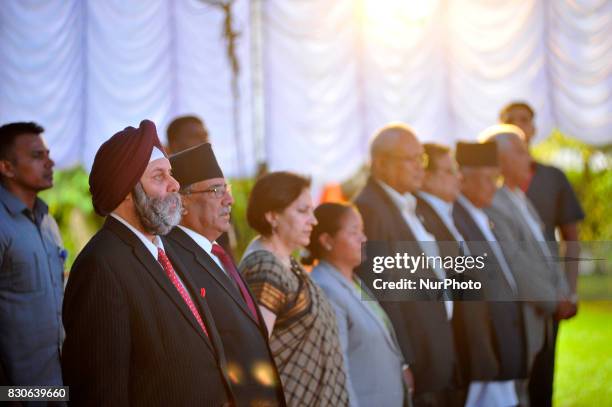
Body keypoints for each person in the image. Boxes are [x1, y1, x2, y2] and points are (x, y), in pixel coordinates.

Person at [62, 120, 233, 406]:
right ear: (126, 190)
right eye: (159, 176)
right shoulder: (100, 266)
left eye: (171, 174)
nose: (175, 184)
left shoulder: (166, 249)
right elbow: (100, 392)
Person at [164, 143, 286, 406]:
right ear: (182, 201)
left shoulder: (215, 252)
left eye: (226, 189)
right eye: (216, 190)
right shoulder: (172, 260)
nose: (229, 199)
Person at [353, 123, 462, 407]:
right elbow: (383, 295)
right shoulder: (369, 210)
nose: (420, 167)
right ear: (381, 164)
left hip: (437, 350)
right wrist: (404, 361)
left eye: (422, 159)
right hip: (417, 360)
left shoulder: (408, 204)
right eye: (411, 159)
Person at [479, 125, 574, 405]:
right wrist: (554, 300)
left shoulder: (518, 197)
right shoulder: (492, 202)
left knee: (542, 393)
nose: (529, 159)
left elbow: (546, 252)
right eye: (520, 152)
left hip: (543, 317)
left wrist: (564, 292)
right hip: (526, 318)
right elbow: (517, 264)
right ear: (499, 160)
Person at [239, 171, 350, 406]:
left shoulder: (285, 262)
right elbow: (253, 355)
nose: (314, 220)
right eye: (302, 211)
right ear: (272, 216)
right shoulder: (265, 268)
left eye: (312, 210)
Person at [500, 101, 583, 406]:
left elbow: (571, 238)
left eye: (525, 119)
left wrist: (569, 292)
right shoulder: (495, 190)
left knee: (543, 379)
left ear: (534, 128)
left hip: (552, 296)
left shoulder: (553, 178)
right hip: (518, 298)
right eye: (511, 120)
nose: (519, 125)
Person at [307, 202, 411, 407]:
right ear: (327, 240)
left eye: (362, 231)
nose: (363, 238)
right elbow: (338, 367)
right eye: (354, 232)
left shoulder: (354, 281)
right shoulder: (326, 289)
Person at [452, 141, 527, 407]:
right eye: (487, 179)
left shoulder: (481, 216)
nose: (493, 186)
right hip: (484, 351)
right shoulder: (456, 219)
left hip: (503, 345)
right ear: (464, 180)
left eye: (495, 178)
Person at [0, 122, 64, 390]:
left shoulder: (48, 221)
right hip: (16, 390)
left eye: (47, 154)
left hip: (57, 381)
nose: (50, 163)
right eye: (38, 156)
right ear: (7, 167)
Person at [165, 114, 234, 259]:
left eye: (205, 135)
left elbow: (225, 248)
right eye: (195, 136)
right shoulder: (163, 193)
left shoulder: (218, 190)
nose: (204, 141)